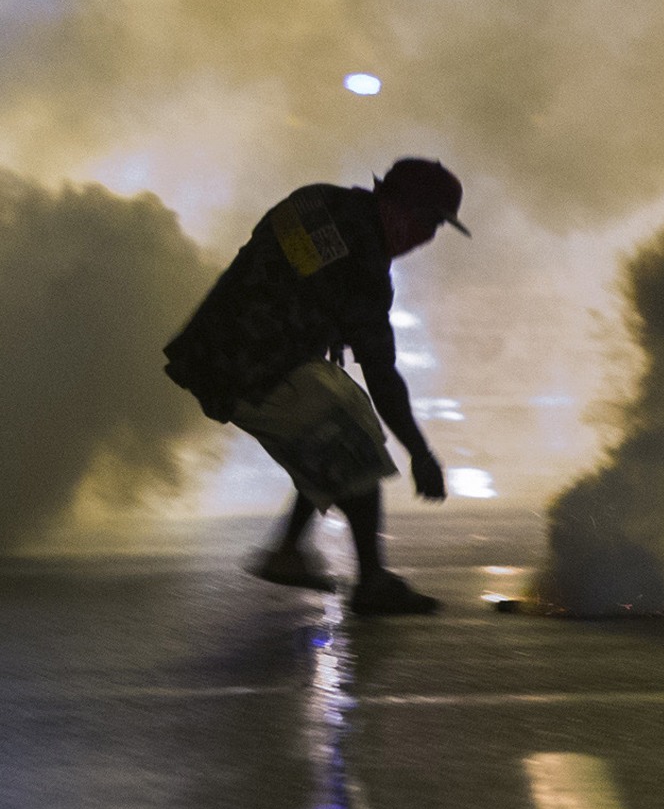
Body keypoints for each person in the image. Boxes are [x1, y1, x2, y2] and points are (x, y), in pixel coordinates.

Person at [165, 158, 468, 616]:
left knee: (335, 415)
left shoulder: (318, 198)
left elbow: (281, 265)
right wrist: (420, 454)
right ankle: (371, 581)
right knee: (352, 444)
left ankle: (288, 553)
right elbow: (383, 376)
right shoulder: (365, 263)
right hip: (253, 366)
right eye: (429, 223)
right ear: (399, 206)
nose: (427, 238)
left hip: (212, 349)